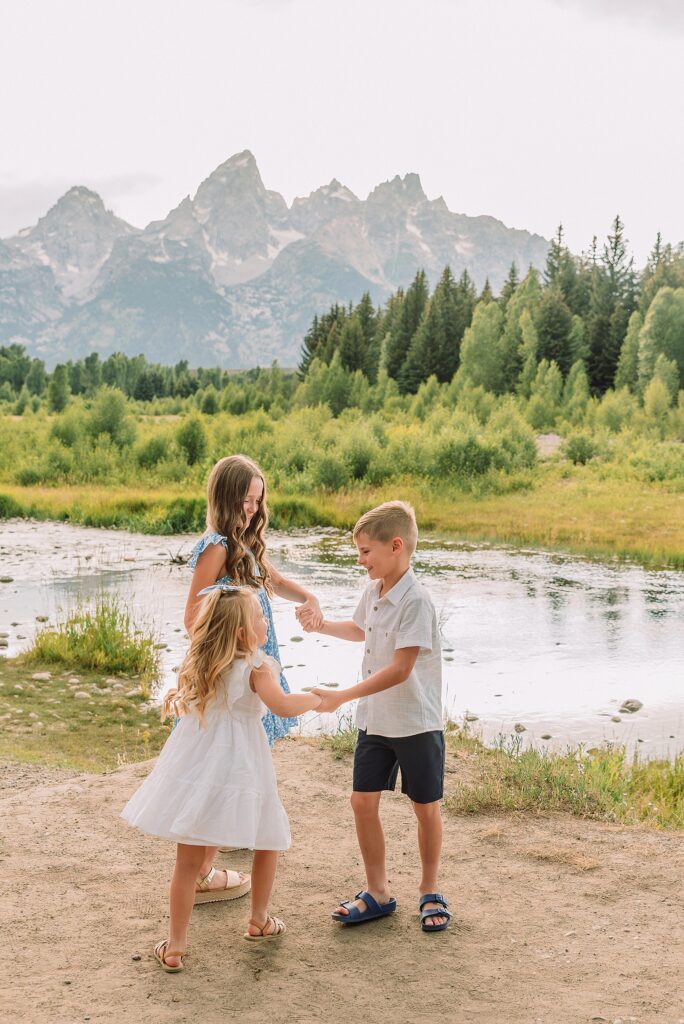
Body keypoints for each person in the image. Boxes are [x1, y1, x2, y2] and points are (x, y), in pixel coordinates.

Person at [121, 586, 323, 971]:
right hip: (243, 761)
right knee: (267, 838)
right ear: (242, 633)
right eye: (260, 617)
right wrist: (318, 699)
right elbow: (281, 706)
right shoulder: (257, 667)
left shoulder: (208, 664)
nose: (266, 622)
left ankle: (176, 946)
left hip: (199, 763)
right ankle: (259, 920)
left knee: (186, 860)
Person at [300, 500, 450, 933]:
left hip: (416, 723)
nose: (360, 559)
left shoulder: (417, 601)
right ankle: (379, 892)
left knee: (425, 808)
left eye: (366, 551)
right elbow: (361, 629)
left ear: (396, 546)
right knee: (362, 802)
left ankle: (429, 889)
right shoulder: (374, 590)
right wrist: (322, 624)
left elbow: (401, 670)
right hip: (375, 721)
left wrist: (343, 696)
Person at [184, 453, 323, 903]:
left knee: (235, 766)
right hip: (234, 675)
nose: (253, 509)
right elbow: (193, 617)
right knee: (222, 771)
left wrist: (309, 595)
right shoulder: (218, 546)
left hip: (253, 664)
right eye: (246, 500)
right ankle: (202, 873)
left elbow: (272, 579)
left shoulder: (242, 542)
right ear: (226, 497)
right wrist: (241, 656)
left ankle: (210, 861)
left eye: (258, 501)